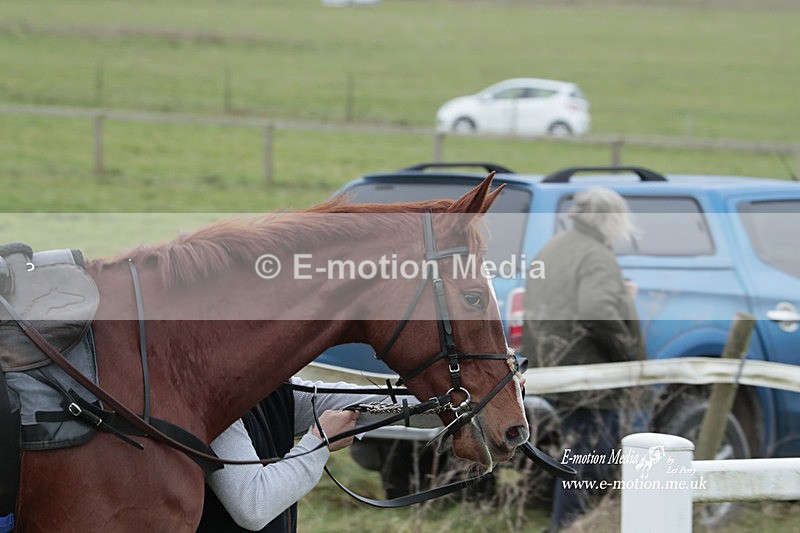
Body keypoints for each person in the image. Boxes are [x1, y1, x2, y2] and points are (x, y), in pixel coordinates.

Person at [520, 187, 645, 532]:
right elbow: (596, 309)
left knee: (574, 454)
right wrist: (628, 353)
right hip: (590, 378)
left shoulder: (554, 246)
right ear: (612, 220)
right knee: (590, 458)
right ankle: (568, 526)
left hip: (552, 368)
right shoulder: (596, 255)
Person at [198, 376, 399, 533]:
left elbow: (368, 402)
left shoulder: (274, 389)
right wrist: (320, 442)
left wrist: (428, 394)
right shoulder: (205, 400)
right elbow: (254, 506)